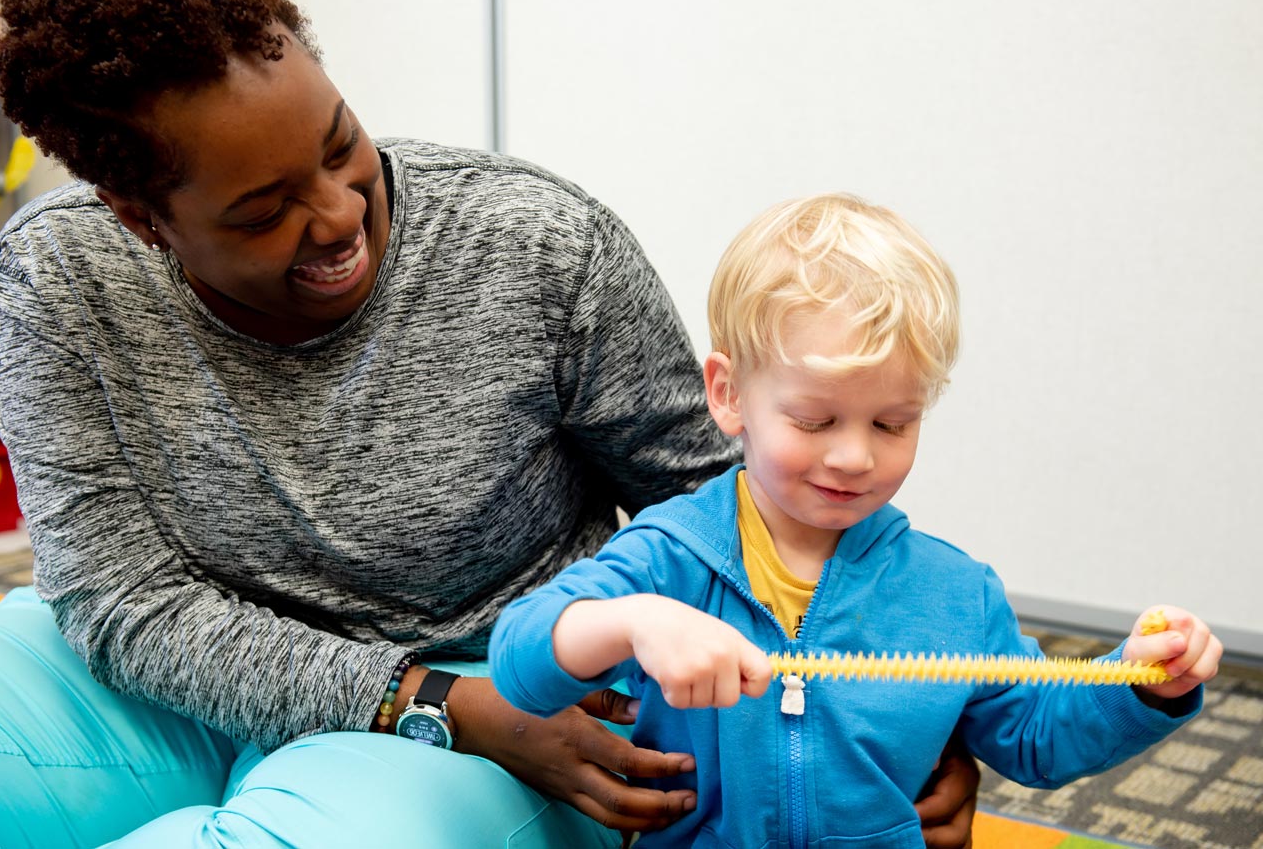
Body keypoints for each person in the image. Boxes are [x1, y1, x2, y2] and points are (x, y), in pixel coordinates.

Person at [0, 0, 984, 848]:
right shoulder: (55, 276)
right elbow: (123, 601)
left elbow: (732, 501)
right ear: (138, 215)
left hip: (515, 696)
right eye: (263, 209)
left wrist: (874, 722)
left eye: (340, 144)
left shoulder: (538, 243)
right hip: (215, 686)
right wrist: (418, 700)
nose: (337, 213)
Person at [489, 193, 1224, 848]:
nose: (853, 457)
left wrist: (1139, 681)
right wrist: (633, 622)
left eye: (891, 423)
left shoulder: (954, 594)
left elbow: (1037, 736)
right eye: (814, 419)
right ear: (729, 394)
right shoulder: (666, 557)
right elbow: (520, 662)